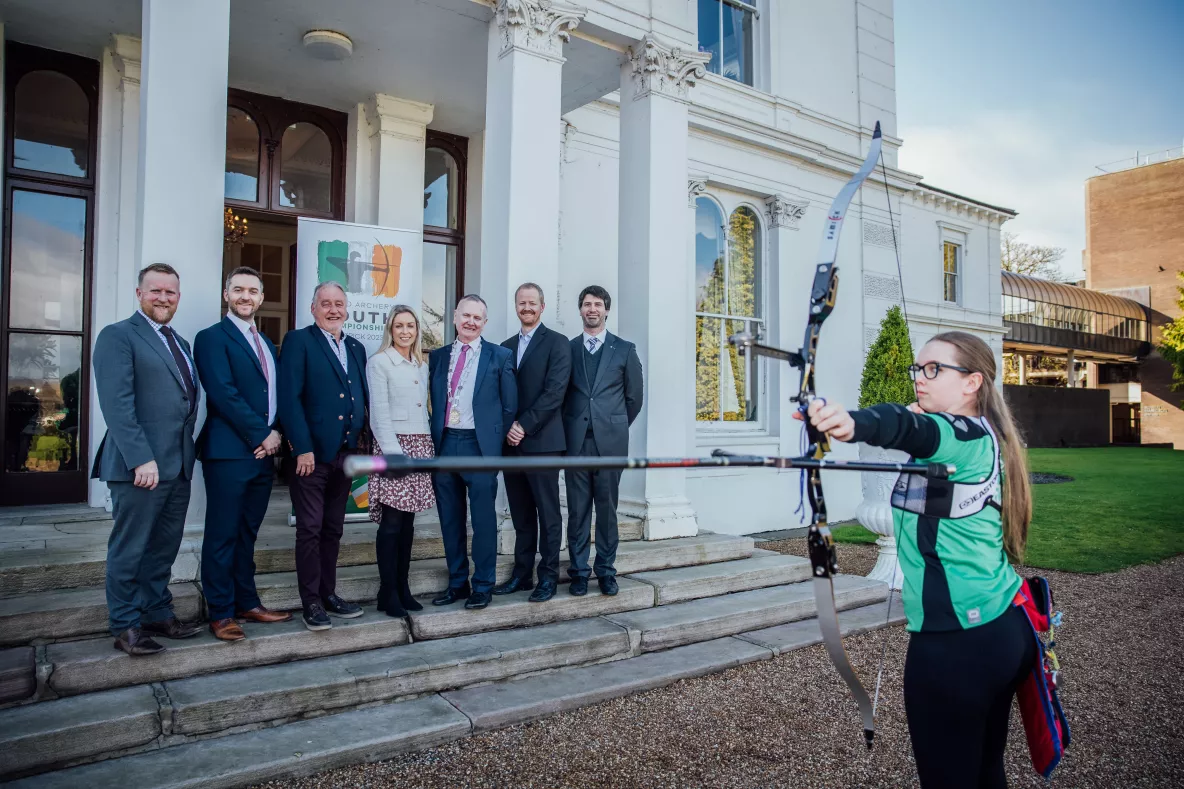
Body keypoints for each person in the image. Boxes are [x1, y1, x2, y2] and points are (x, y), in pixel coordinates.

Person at [794, 330, 1035, 789]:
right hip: (1002, 626)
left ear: (972, 383)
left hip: (957, 643)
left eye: (933, 369)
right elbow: (918, 433)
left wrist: (854, 423)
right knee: (984, 772)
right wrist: (900, 426)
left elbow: (913, 428)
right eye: (917, 369)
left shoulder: (960, 433)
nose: (920, 378)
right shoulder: (984, 434)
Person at [91, 263, 202, 656]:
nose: (163, 298)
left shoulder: (180, 342)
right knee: (130, 546)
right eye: (155, 291)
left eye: (170, 293)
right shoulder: (118, 336)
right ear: (139, 293)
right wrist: (141, 459)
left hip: (178, 465)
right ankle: (125, 624)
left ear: (178, 298)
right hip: (141, 466)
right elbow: (117, 406)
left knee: (163, 547)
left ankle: (157, 611)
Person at [192, 267, 291, 642]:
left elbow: (274, 397)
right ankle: (220, 612)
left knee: (247, 533)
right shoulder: (211, 338)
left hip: (264, 455)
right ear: (226, 294)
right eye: (238, 290)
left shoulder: (265, 341)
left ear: (261, 298)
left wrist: (277, 434)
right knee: (222, 534)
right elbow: (223, 393)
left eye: (252, 290)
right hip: (229, 452)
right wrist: (262, 434)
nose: (245, 296)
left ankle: (247, 601)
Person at [278, 281, 368, 631]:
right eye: (325, 303)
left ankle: (329, 593)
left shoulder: (356, 347)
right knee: (310, 529)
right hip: (311, 457)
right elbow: (289, 400)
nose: (333, 310)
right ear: (313, 308)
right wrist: (301, 447)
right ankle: (311, 601)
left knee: (333, 528)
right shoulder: (299, 341)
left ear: (347, 309)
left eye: (339, 304)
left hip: (346, 455)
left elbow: (359, 396)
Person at [428, 295, 516, 610]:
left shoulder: (500, 356)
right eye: (466, 315)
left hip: (480, 448)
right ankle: (457, 584)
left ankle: (482, 585)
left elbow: (509, 406)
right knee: (449, 519)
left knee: (482, 521)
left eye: (477, 318)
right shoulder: (437, 357)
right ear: (455, 316)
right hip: (445, 445)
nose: (471, 322)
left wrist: (493, 446)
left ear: (484, 323)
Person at [562, 286, 642, 597]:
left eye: (597, 304)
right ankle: (579, 572)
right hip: (576, 445)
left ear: (606, 310)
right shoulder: (568, 349)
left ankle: (606, 570)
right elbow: (562, 395)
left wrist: (613, 425)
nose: (592, 309)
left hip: (610, 445)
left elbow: (634, 398)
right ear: (580, 310)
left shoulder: (624, 349)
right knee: (578, 512)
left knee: (607, 511)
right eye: (586, 304)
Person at [495, 283, 572, 603]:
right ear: (516, 307)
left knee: (548, 513)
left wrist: (523, 425)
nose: (526, 308)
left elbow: (555, 391)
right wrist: (507, 429)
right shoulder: (505, 346)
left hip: (543, 442)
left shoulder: (557, 343)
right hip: (512, 446)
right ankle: (522, 574)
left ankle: (549, 576)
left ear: (542, 307)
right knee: (521, 513)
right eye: (521, 303)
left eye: (532, 303)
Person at [366, 305, 436, 618]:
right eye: (399, 326)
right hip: (394, 446)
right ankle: (387, 591)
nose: (405, 331)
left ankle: (403, 586)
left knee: (408, 523)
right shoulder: (380, 363)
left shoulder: (421, 364)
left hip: (420, 444)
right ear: (390, 330)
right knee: (392, 523)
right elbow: (379, 415)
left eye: (410, 326)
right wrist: (393, 454)